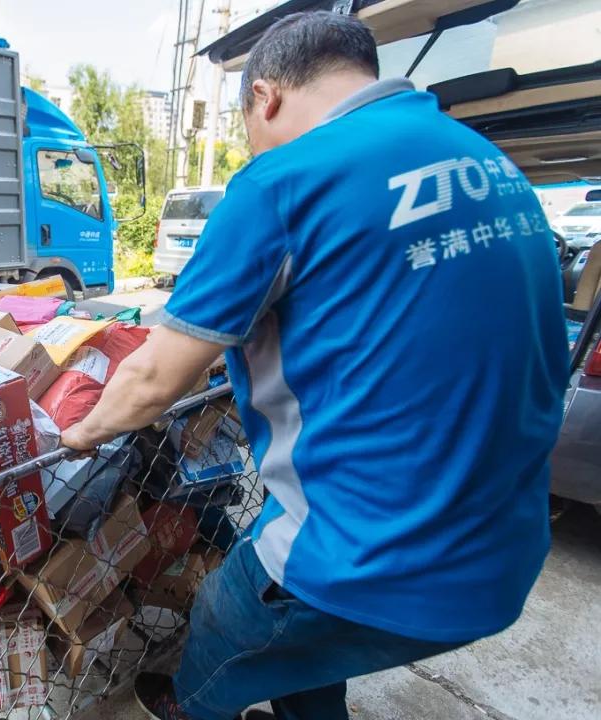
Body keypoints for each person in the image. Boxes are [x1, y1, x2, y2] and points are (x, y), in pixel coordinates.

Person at [61, 12, 567, 720]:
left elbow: (151, 380)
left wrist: (81, 433)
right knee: (302, 643)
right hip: (505, 551)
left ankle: (188, 707)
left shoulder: (285, 180)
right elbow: (395, 318)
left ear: (264, 97)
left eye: (248, 130)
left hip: (367, 554)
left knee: (223, 617)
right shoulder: (487, 163)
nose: (254, 148)